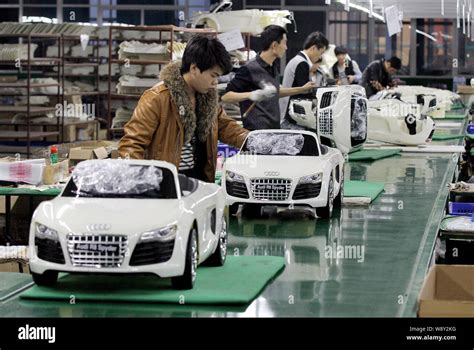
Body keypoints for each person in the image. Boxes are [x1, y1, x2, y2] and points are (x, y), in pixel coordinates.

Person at [118, 35, 249, 183]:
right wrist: (141, 181)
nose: (215, 82)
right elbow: (132, 143)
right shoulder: (157, 98)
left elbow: (226, 127)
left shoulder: (207, 99)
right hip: (166, 183)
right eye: (213, 75)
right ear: (194, 68)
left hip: (200, 181)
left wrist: (253, 141)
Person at [221, 25, 315, 131]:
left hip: (273, 131)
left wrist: (302, 89)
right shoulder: (249, 68)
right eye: (284, 43)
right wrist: (252, 95)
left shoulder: (273, 66)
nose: (286, 47)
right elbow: (226, 96)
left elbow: (276, 92)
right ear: (274, 45)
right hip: (257, 134)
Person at [279, 31, 329, 128]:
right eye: (321, 53)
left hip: (287, 114)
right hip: (289, 117)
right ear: (313, 48)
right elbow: (304, 93)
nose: (320, 57)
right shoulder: (302, 63)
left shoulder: (298, 60)